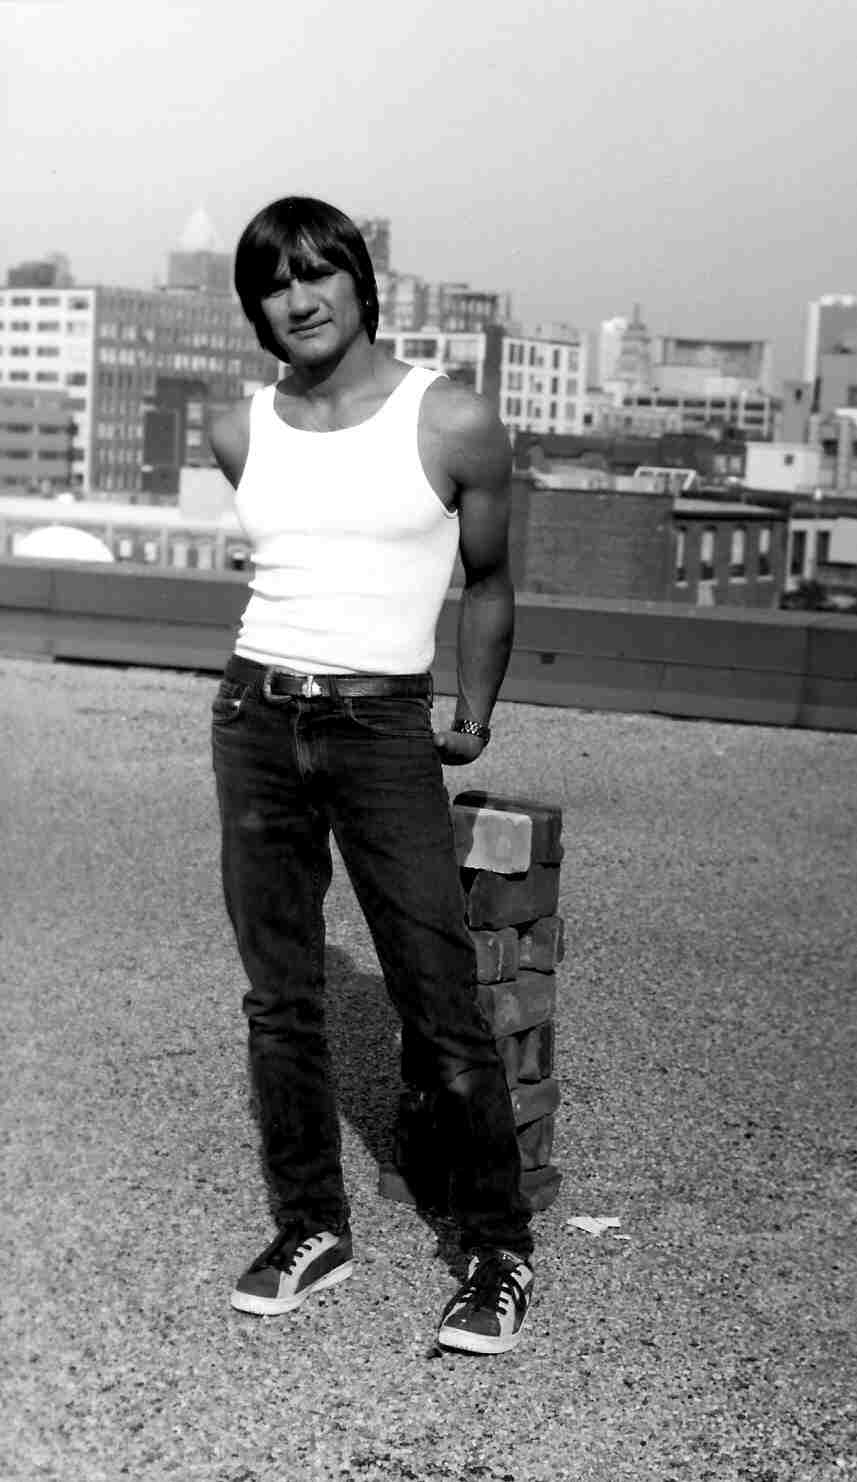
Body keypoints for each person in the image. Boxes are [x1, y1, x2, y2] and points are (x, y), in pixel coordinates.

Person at [208, 196, 533, 1355]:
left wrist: (471, 715)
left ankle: (496, 1249)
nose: (295, 299)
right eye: (271, 285)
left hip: (381, 722)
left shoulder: (450, 420)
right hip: (255, 715)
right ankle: (311, 1226)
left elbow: (487, 582)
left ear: (357, 279)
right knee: (278, 997)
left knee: (435, 992)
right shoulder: (239, 428)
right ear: (255, 310)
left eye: (314, 273)